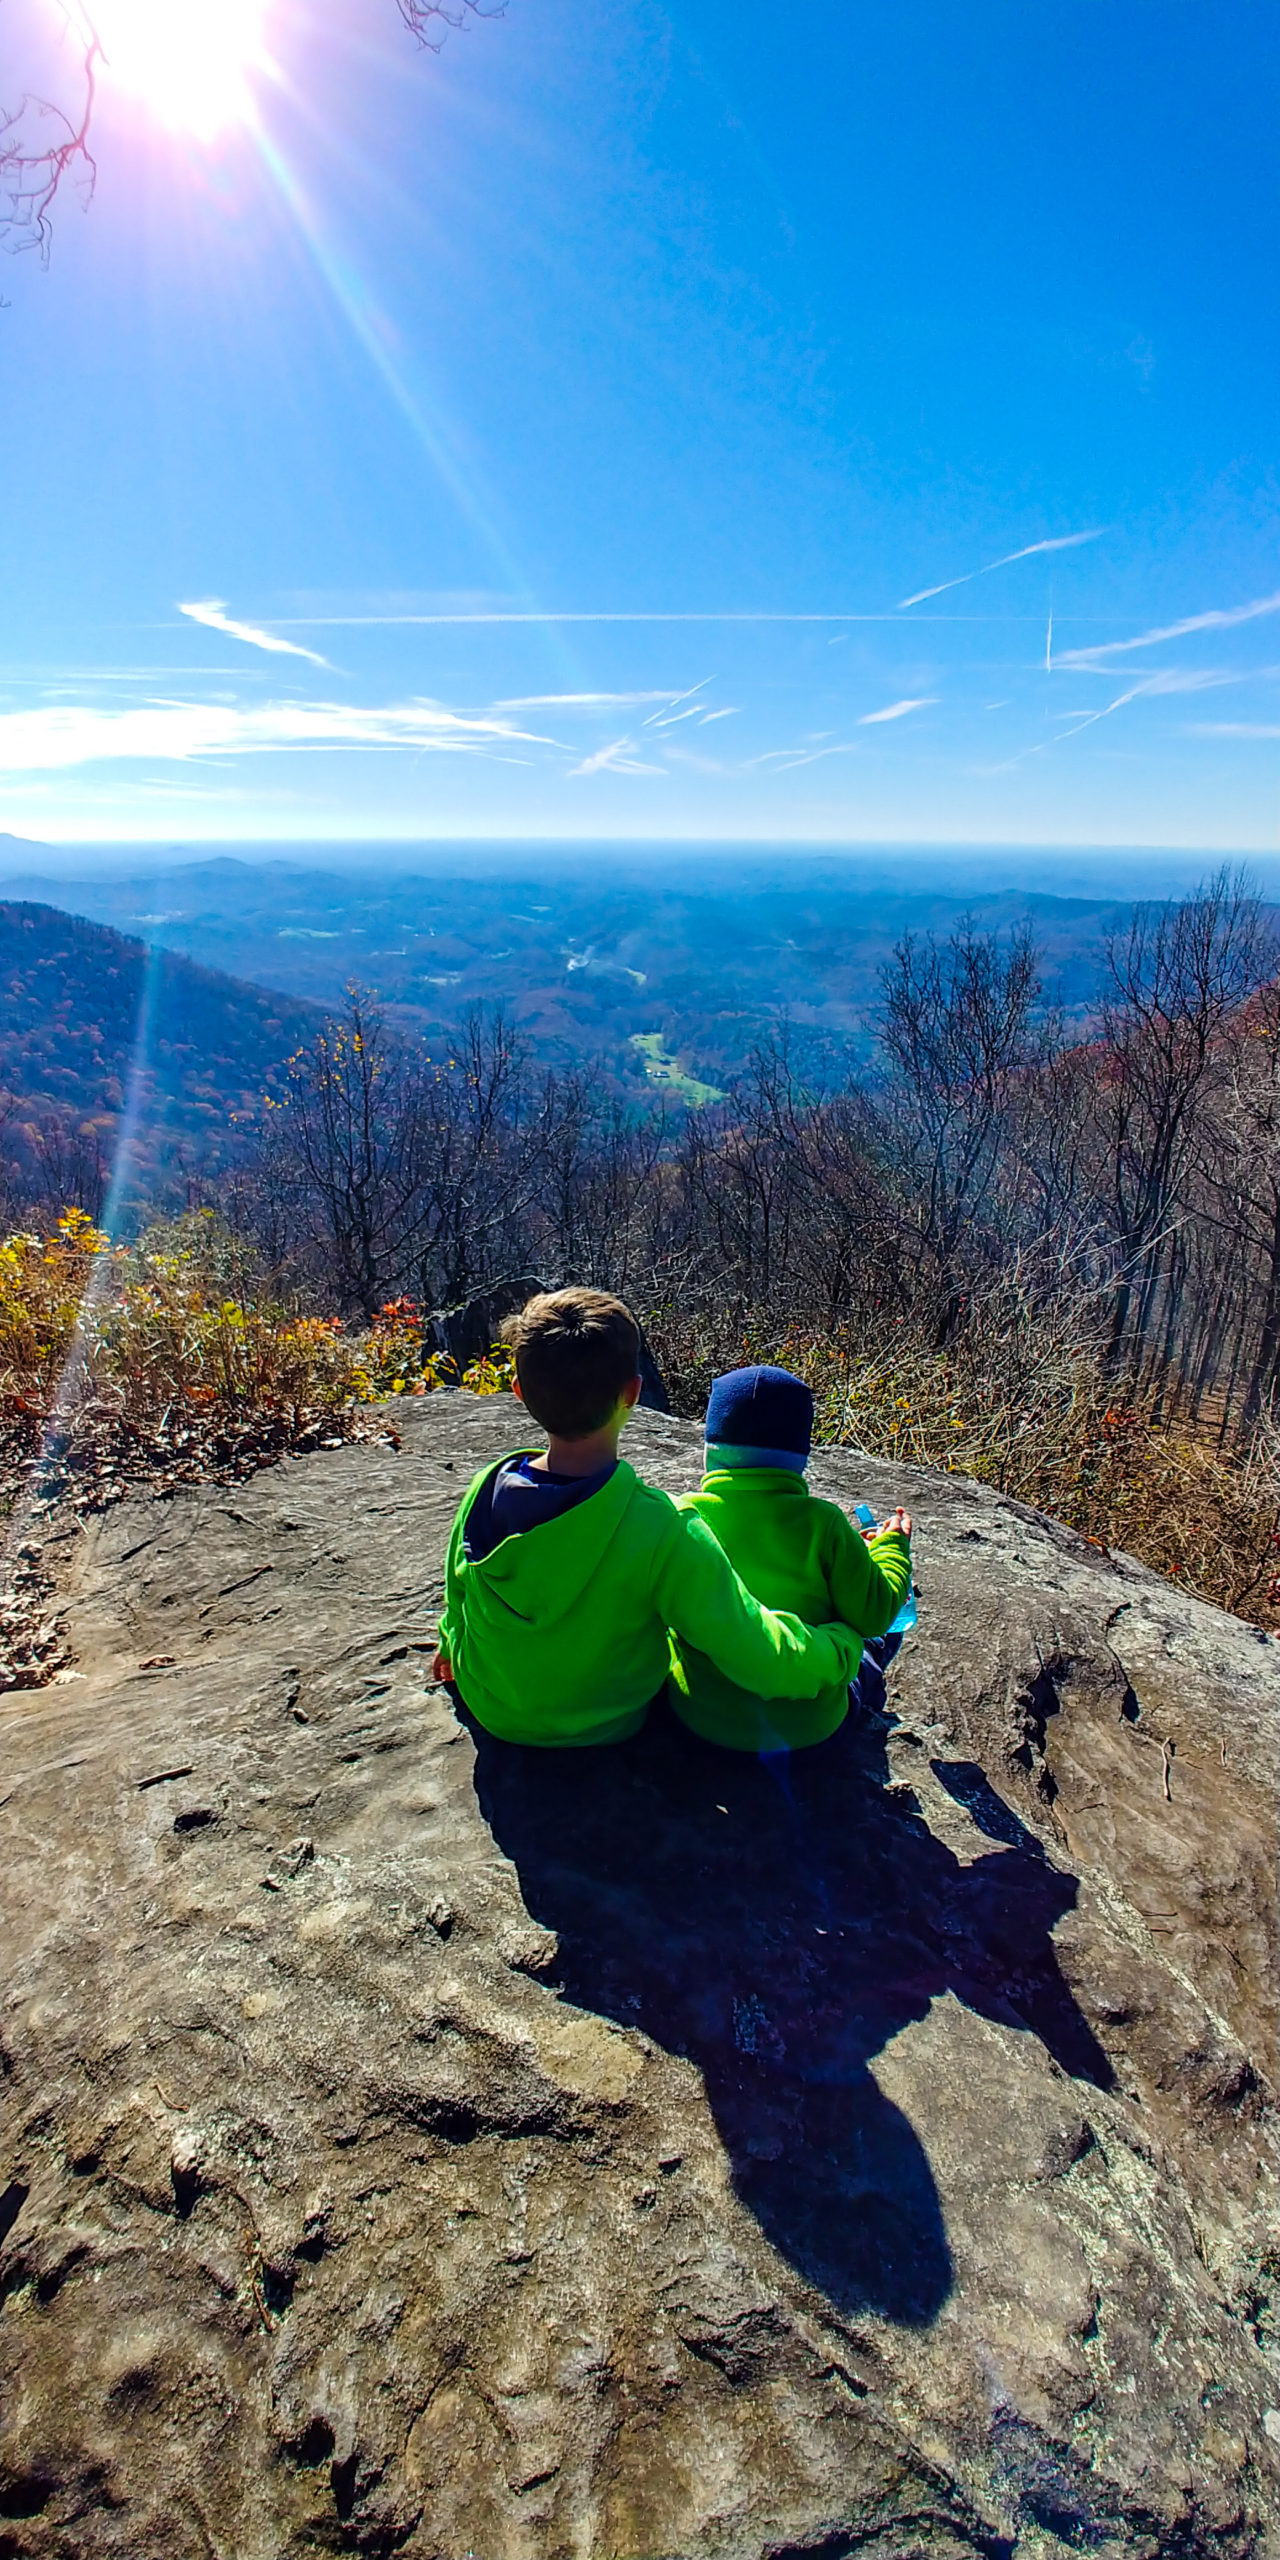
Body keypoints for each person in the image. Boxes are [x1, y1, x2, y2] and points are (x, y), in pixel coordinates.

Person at [431, 1290, 869, 1748]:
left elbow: (458, 1591)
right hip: (604, 1725)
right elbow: (761, 1656)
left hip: (493, 1709)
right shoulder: (661, 1528)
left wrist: (448, 1642)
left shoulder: (486, 1486)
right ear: (633, 1393)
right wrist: (842, 1646)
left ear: (519, 1392)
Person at [667, 1363, 913, 1753]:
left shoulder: (682, 1518)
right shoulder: (823, 1524)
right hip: (809, 1731)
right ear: (801, 1456)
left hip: (700, 1718)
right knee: (880, 1635)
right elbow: (876, 1612)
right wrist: (891, 1549)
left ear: (710, 1450)